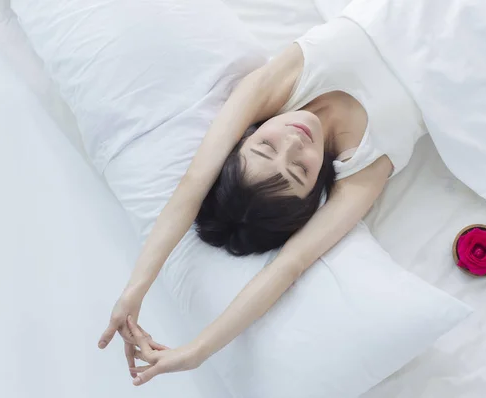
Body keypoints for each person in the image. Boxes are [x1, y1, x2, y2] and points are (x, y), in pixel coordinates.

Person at [98, 15, 424, 386]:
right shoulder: (364, 167)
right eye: (299, 171)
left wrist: (134, 289)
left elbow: (193, 183)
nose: (293, 143)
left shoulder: (276, 88)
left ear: (245, 136)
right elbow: (289, 265)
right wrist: (198, 351)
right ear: (314, 192)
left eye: (265, 147)